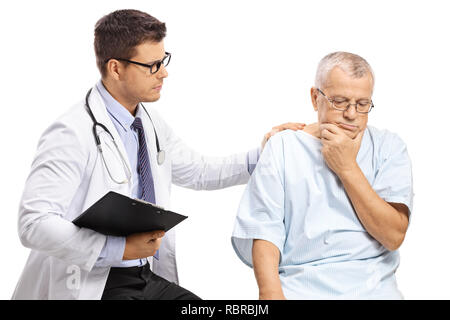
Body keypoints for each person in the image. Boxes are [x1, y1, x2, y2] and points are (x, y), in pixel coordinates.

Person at [12, 9, 304, 300]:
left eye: (163, 61)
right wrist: (121, 249)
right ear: (115, 68)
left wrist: (264, 153)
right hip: (91, 280)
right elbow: (33, 223)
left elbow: (199, 171)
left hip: (140, 274)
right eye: (152, 65)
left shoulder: (147, 122)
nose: (164, 72)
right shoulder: (71, 132)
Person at [231, 52, 413, 299]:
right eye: (340, 101)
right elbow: (264, 229)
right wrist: (270, 293)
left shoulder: (389, 147)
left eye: (362, 104)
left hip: (374, 289)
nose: (351, 114)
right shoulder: (284, 146)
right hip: (300, 287)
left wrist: (346, 167)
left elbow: (393, 236)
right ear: (315, 98)